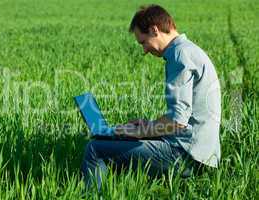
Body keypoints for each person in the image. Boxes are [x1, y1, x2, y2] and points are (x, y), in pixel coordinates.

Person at [80, 4, 221, 190]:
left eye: (143, 42)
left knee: (95, 149)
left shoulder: (180, 56)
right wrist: (148, 126)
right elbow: (181, 119)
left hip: (185, 156)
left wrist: (140, 132)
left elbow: (177, 120)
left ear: (154, 30)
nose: (145, 50)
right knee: (114, 139)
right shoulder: (188, 50)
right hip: (197, 151)